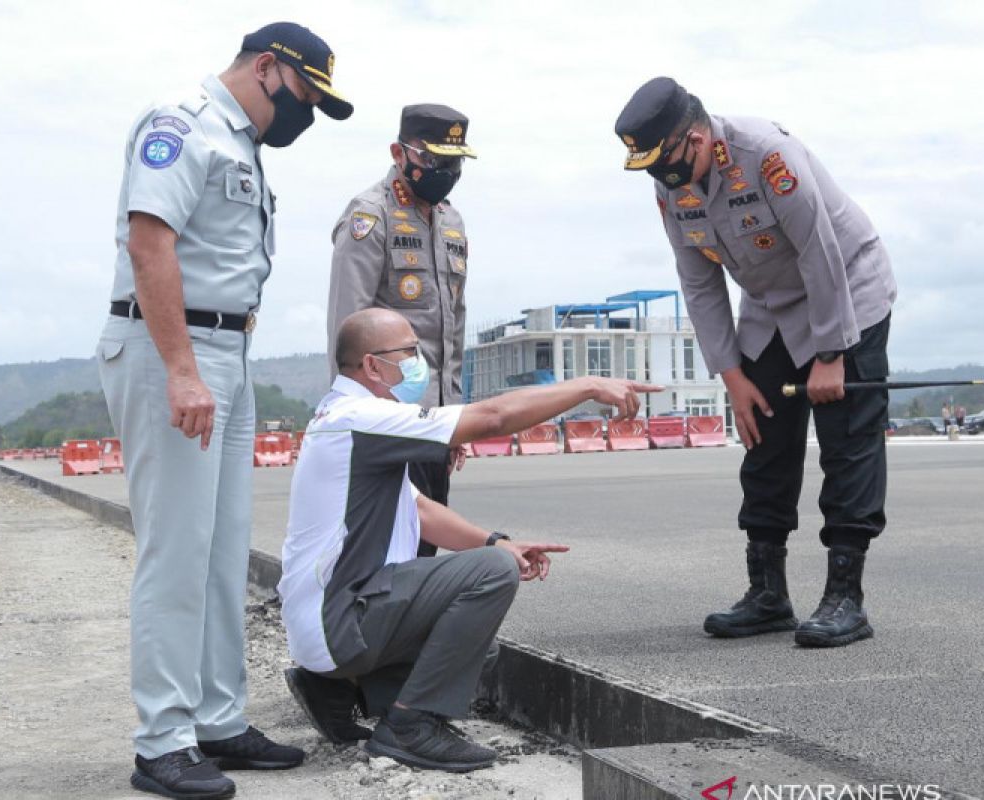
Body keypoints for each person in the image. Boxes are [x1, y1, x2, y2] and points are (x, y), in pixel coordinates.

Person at [97, 22, 352, 800]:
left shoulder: (243, 145)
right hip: (171, 348)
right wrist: (180, 369)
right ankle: (163, 741)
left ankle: (216, 719)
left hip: (228, 353)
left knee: (220, 551)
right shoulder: (181, 123)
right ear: (266, 67)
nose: (304, 112)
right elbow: (151, 245)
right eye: (305, 94)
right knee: (176, 549)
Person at [279, 309, 659, 771]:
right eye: (409, 353)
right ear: (372, 366)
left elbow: (420, 510)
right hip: (339, 622)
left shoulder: (349, 420)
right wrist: (588, 386)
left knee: (477, 645)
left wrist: (496, 542)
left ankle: (338, 690)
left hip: (323, 626)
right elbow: (494, 416)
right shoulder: (362, 416)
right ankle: (409, 727)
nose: (419, 363)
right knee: (491, 575)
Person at [615, 77, 897, 648]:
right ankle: (768, 594)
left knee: (847, 441)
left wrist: (830, 354)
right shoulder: (673, 186)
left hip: (847, 296)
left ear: (695, 138)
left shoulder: (767, 157)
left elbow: (821, 253)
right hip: (770, 307)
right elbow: (699, 284)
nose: (659, 178)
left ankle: (846, 596)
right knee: (762, 436)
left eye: (663, 162)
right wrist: (733, 377)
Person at [326, 104, 476, 557]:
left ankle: (413, 631)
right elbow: (347, 325)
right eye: (433, 160)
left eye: (454, 163)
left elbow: (453, 329)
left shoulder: (451, 222)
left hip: (433, 423)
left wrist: (454, 419)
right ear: (399, 152)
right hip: (386, 422)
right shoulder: (370, 216)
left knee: (425, 551)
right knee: (384, 553)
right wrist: (351, 423)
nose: (445, 172)